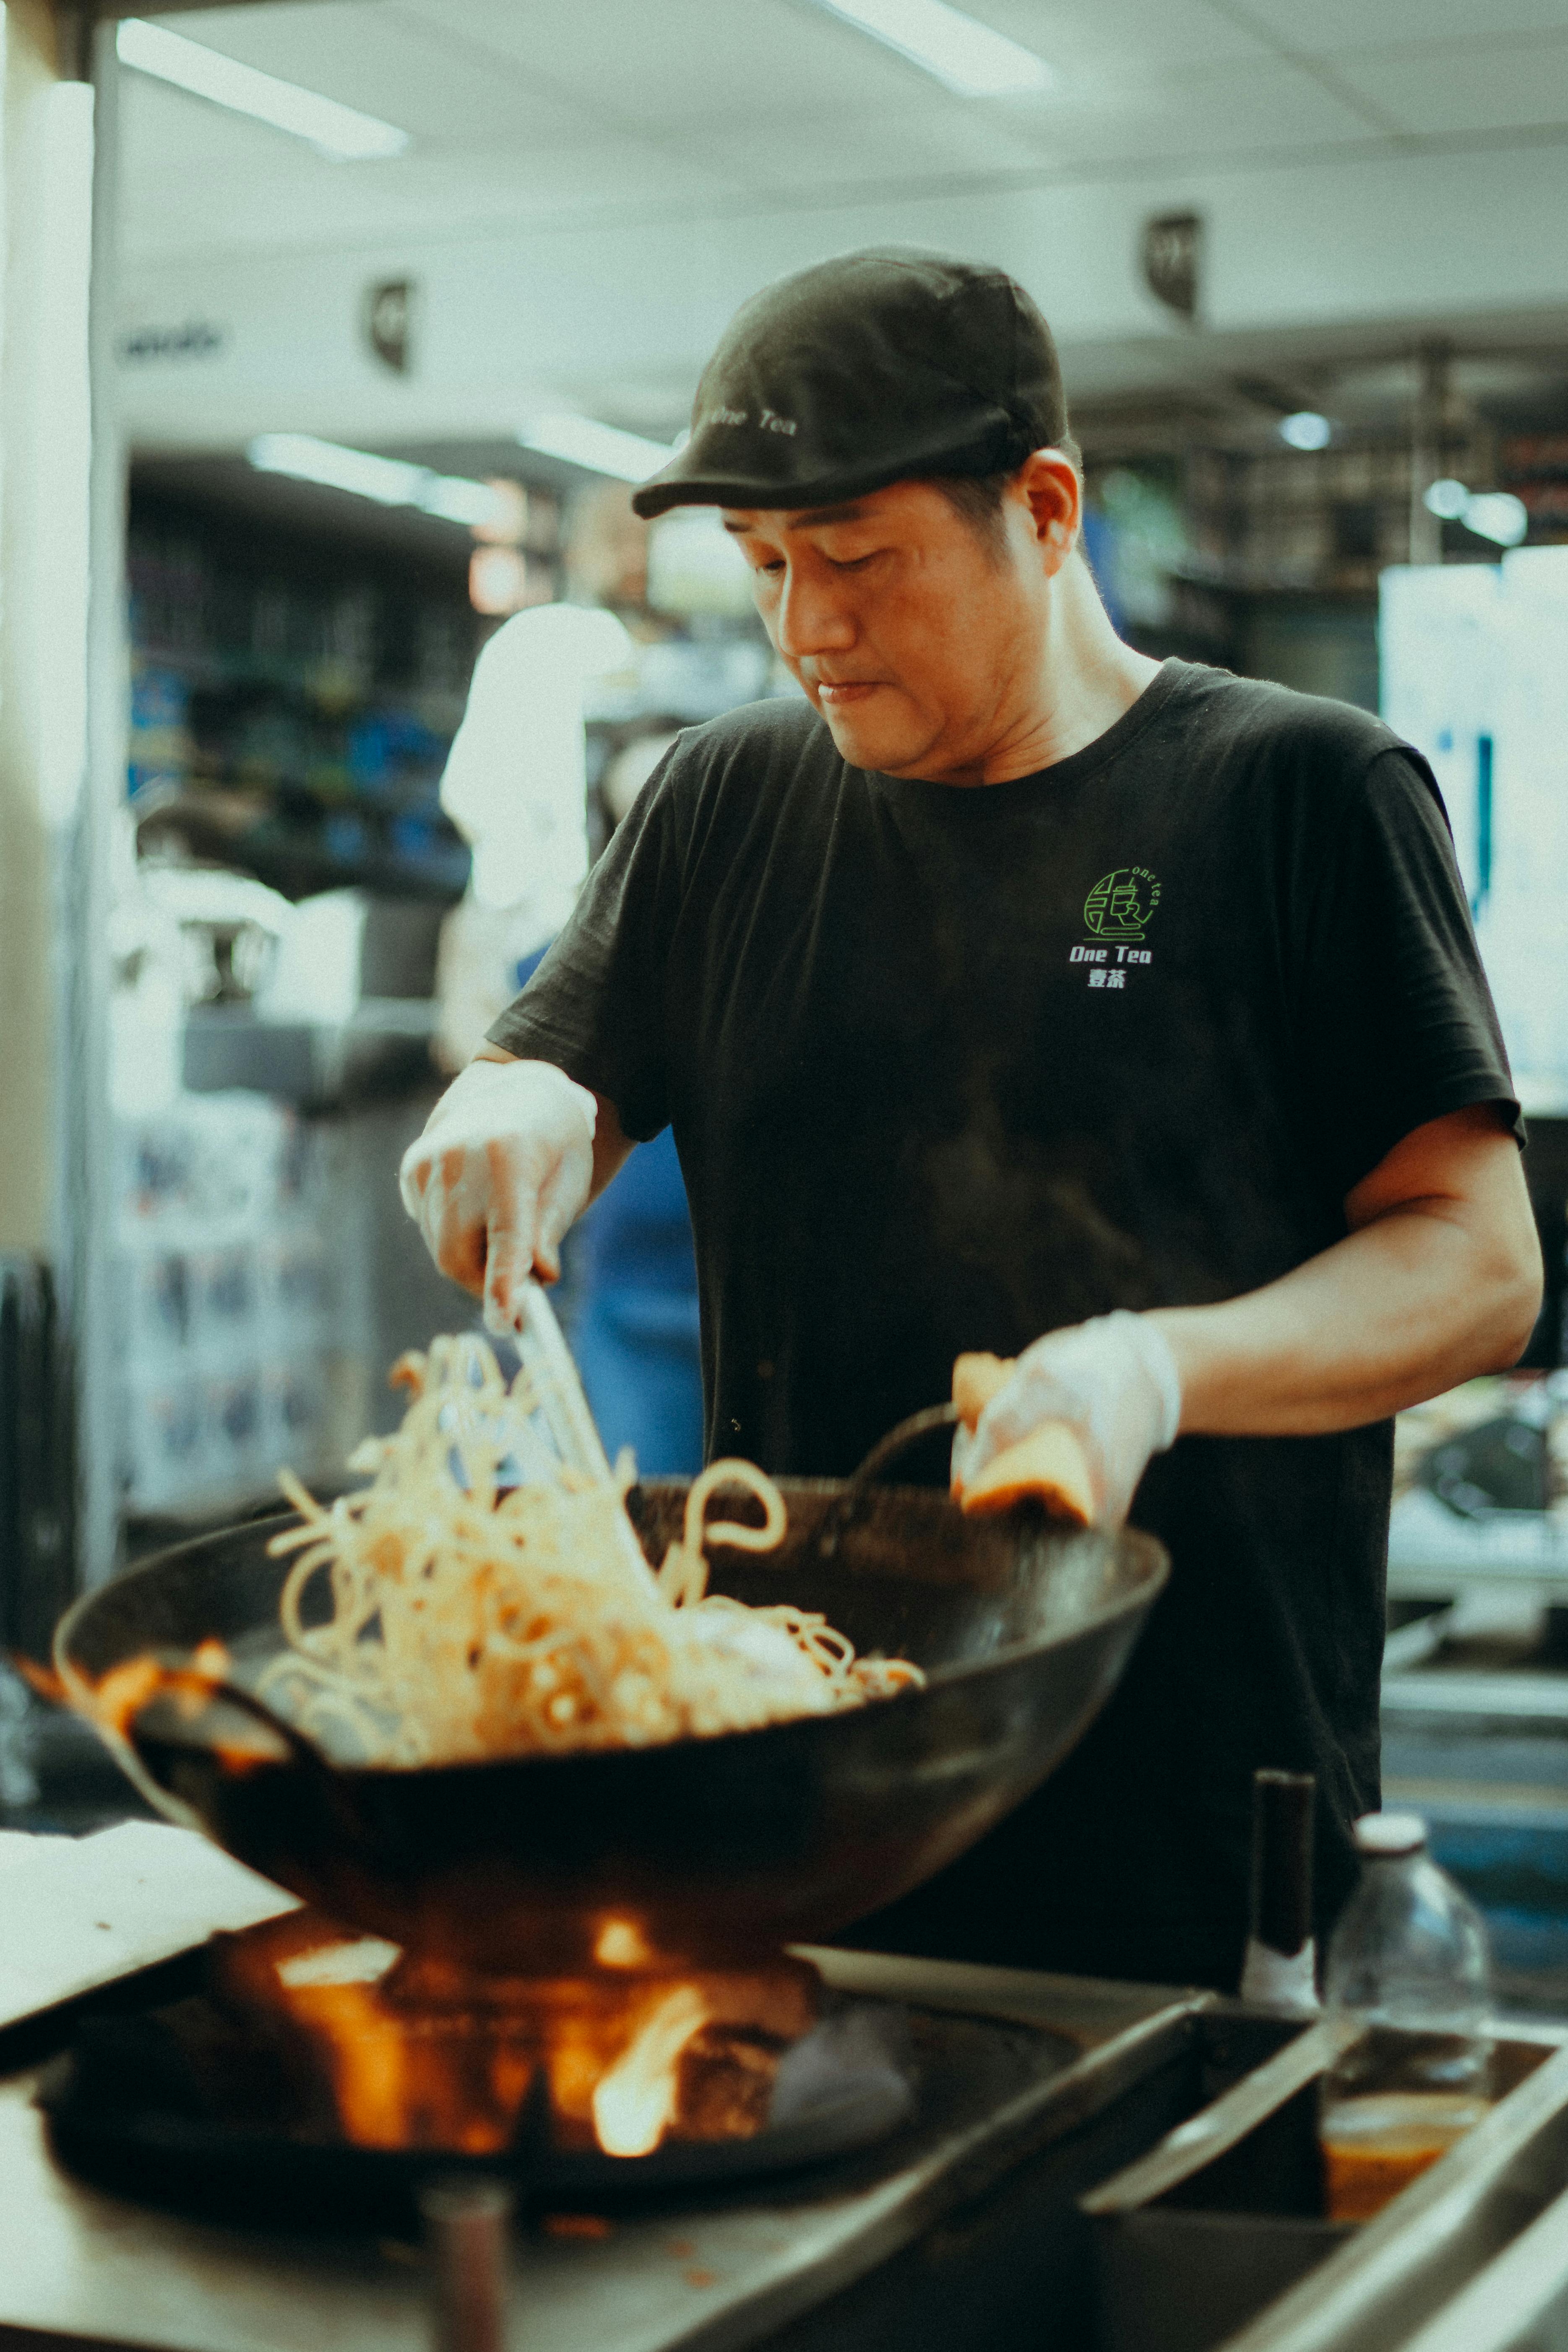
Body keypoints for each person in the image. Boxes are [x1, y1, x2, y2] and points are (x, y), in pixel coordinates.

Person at [399, 249, 1542, 1991]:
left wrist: (1143, 1376)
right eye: (767, 566)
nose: (804, 629)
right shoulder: (724, 802)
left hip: (1184, 1837)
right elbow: (555, 1069)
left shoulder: (1294, 794)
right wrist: (511, 1099)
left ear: (1044, 507)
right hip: (793, 1807)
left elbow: (1476, 1267)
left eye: (856, 560)